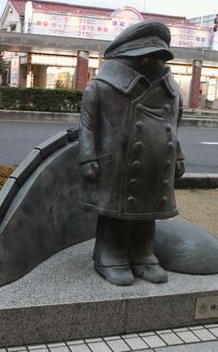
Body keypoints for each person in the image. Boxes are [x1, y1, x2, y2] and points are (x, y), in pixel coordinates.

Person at [79, 20, 185, 286]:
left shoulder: (171, 91)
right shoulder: (102, 87)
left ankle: (144, 256)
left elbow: (173, 126)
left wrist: (179, 156)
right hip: (117, 164)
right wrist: (88, 158)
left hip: (157, 163)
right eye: (146, 58)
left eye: (156, 58)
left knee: (147, 213)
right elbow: (88, 125)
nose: (151, 63)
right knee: (116, 213)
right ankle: (109, 257)